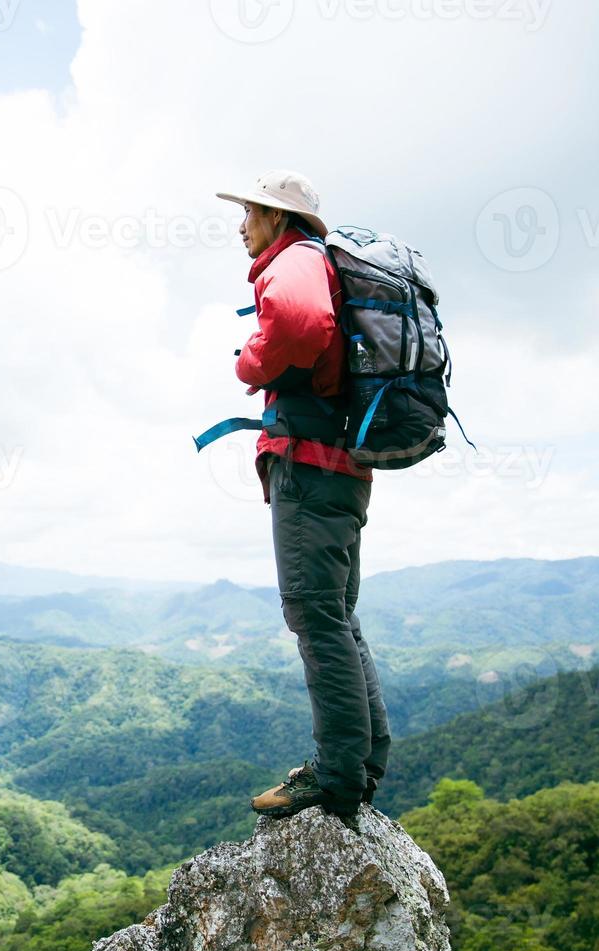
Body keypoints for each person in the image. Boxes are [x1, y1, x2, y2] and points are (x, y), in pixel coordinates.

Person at [214, 170, 391, 827]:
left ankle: (339, 776)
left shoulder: (293, 262)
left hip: (310, 472)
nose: (240, 226)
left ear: (275, 217)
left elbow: (299, 321)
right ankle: (364, 761)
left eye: (249, 213)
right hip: (342, 470)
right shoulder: (321, 263)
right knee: (338, 617)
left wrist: (248, 363)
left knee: (316, 618)